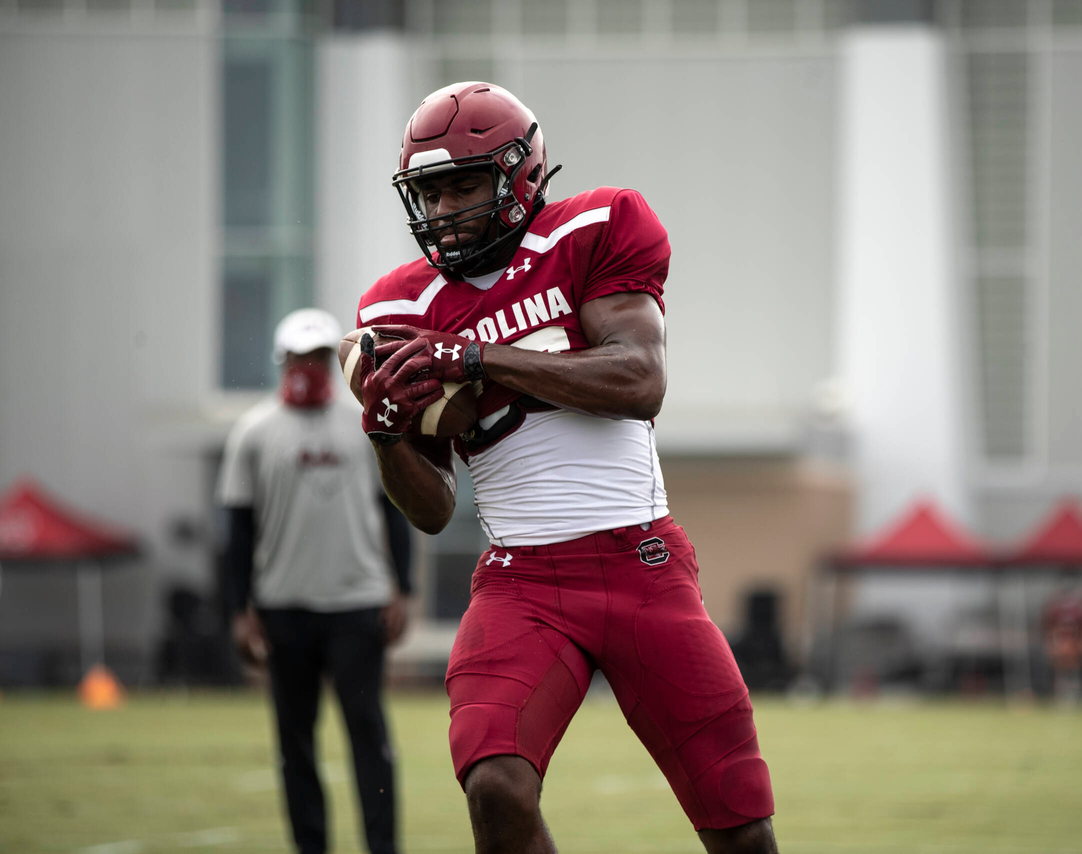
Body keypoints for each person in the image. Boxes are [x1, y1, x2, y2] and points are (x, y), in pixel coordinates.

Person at [353, 82, 778, 853]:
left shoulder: (592, 229)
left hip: (641, 563)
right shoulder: (400, 309)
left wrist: (484, 359)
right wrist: (386, 439)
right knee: (494, 783)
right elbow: (431, 508)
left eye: (462, 186)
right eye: (431, 191)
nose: (443, 210)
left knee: (738, 818)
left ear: (517, 178)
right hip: (522, 582)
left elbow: (639, 382)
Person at [218, 308, 414, 854]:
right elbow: (236, 530)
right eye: (299, 357)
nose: (309, 366)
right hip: (283, 608)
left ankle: (382, 847)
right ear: (283, 361)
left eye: (319, 356)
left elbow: (395, 509)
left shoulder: (366, 424)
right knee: (295, 744)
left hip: (357, 605)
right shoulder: (253, 433)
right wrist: (239, 609)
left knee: (368, 738)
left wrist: (404, 589)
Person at [1040, 571, 1082, 704]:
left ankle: (1076, 695)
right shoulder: (1054, 602)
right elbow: (1047, 624)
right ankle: (1060, 696)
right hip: (1060, 639)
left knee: (1075, 668)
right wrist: (1050, 642)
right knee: (1060, 668)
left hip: (1075, 639)